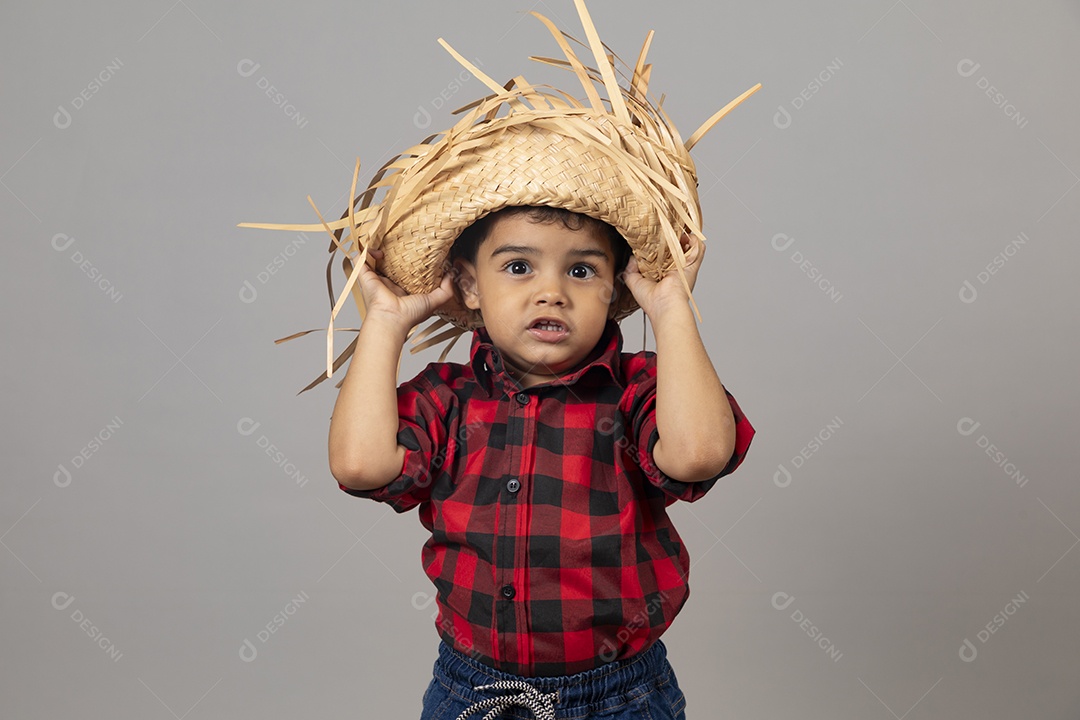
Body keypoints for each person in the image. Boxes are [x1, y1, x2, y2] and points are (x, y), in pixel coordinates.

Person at [328, 203, 756, 719]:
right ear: (469, 286)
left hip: (620, 696)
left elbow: (698, 455)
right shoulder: (446, 399)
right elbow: (358, 465)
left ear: (616, 290)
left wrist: (670, 307)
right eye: (518, 267)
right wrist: (386, 322)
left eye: (581, 271)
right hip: (474, 691)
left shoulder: (638, 390)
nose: (551, 291)